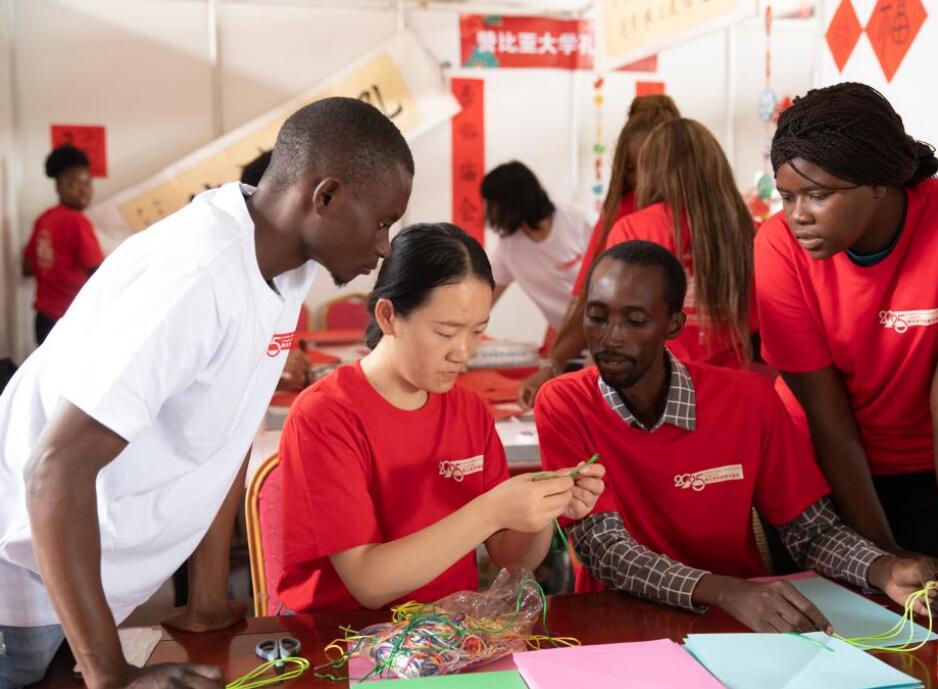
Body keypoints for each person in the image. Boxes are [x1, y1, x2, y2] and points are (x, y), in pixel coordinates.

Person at [0, 97, 414, 689]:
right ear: (324, 197)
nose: (385, 246)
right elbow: (55, 467)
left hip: (84, 584)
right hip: (23, 588)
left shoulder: (286, 262)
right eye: (381, 222)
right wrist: (111, 675)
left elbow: (228, 432)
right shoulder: (196, 276)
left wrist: (208, 601)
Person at [535, 240, 936, 632]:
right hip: (620, 624)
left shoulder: (748, 399)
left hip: (748, 622)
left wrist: (883, 569)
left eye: (635, 321)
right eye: (596, 317)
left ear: (673, 324)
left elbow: (811, 532)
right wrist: (725, 591)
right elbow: (605, 551)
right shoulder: (564, 403)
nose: (610, 338)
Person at [276, 223, 605, 612]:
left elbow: (510, 557)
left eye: (477, 332)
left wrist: (543, 509)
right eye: (446, 333)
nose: (463, 352)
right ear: (388, 316)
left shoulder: (469, 410)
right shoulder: (325, 415)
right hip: (345, 638)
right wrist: (491, 510)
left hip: (447, 634)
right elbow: (368, 583)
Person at [756, 82, 938, 557]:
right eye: (787, 197)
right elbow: (827, 420)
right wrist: (881, 557)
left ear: (879, 184)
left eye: (817, 195)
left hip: (921, 466)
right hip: (815, 466)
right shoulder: (778, 246)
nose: (798, 217)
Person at [518, 95, 680, 407]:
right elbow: (588, 302)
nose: (640, 180)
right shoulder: (620, 215)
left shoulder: (702, 218)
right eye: (630, 169)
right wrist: (552, 365)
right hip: (632, 381)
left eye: (647, 167)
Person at [604, 118, 755, 368]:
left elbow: (617, 318)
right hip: (731, 376)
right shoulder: (747, 231)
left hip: (656, 378)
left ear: (650, 170)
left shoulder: (631, 229)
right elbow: (760, 320)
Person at [480, 161, 592, 332]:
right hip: (564, 330)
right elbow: (485, 299)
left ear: (512, 202)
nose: (489, 212)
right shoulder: (508, 247)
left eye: (492, 204)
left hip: (597, 327)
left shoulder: (576, 219)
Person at [22, 145, 103, 345]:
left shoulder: (44, 219)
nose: (84, 191)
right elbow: (99, 273)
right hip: (69, 320)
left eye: (87, 183)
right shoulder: (77, 222)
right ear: (58, 186)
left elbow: (28, 267)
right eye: (74, 184)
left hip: (43, 319)